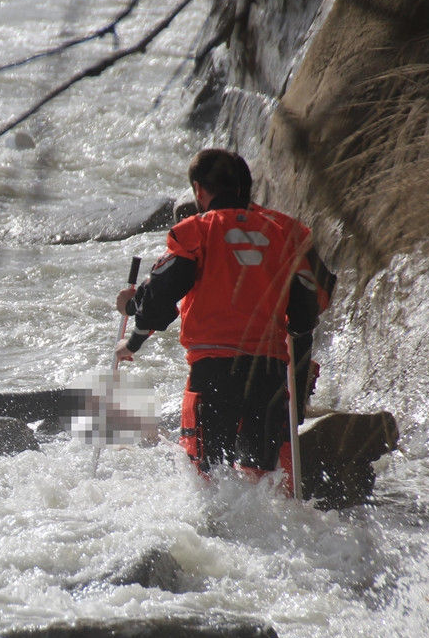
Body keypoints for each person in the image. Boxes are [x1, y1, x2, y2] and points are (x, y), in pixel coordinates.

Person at [114, 148, 335, 492]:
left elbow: (159, 297)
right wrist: (298, 372)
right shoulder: (286, 232)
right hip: (269, 372)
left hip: (213, 372)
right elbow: (309, 308)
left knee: (208, 481)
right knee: (261, 482)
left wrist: (133, 339)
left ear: (198, 190)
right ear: (245, 187)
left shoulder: (195, 232)